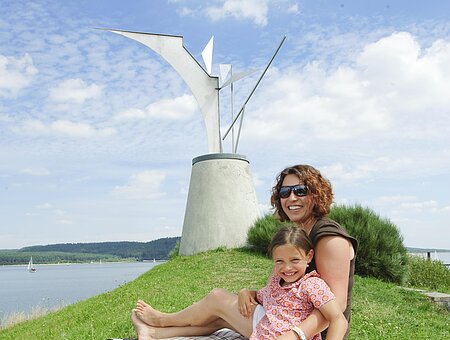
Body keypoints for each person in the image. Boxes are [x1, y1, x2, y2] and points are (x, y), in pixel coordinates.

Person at [131, 164, 357, 339]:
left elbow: (337, 307)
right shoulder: (297, 237)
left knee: (217, 298)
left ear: (316, 194)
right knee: (223, 317)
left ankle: (163, 321)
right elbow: (276, 290)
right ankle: (155, 334)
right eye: (285, 192)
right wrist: (248, 293)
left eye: (300, 190)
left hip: (307, 331)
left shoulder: (329, 238)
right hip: (285, 318)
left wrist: (296, 334)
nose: (291, 198)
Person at [239, 225, 347, 340]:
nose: (287, 268)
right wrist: (245, 292)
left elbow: (339, 320)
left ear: (309, 256)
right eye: (280, 261)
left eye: (294, 260)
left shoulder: (311, 285)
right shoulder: (275, 284)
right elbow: (258, 296)